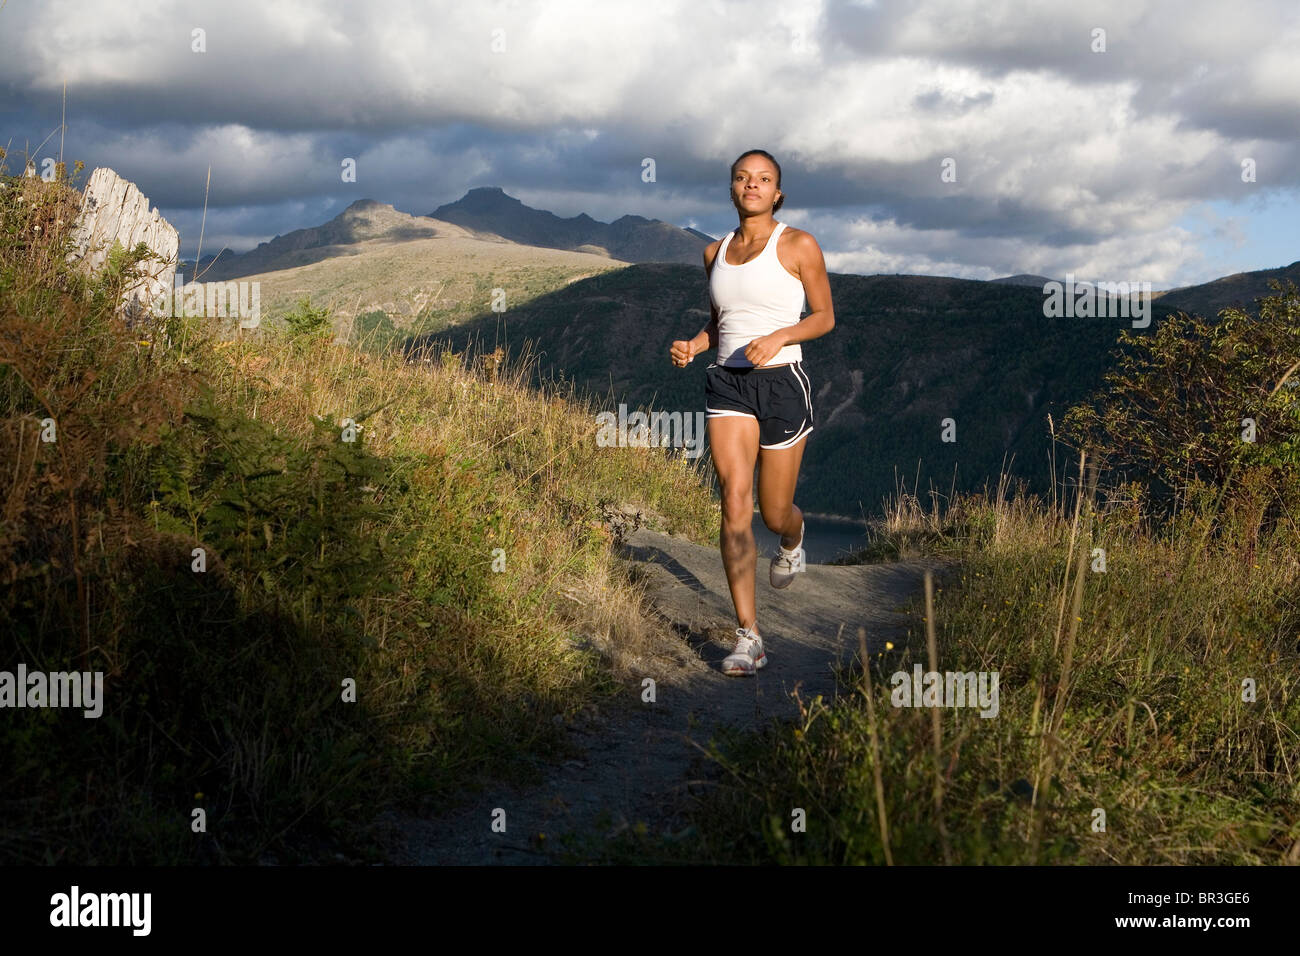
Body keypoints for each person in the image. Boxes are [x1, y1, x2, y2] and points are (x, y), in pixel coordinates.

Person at [669, 149, 835, 676]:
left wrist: (781, 335)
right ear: (732, 189)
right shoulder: (713, 252)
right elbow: (722, 320)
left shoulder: (798, 244)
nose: (752, 185)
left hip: (784, 383)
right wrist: (695, 345)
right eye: (743, 178)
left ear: (777, 192)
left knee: (773, 510)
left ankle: (793, 538)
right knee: (734, 500)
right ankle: (749, 636)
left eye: (764, 179)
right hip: (727, 385)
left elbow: (825, 316)